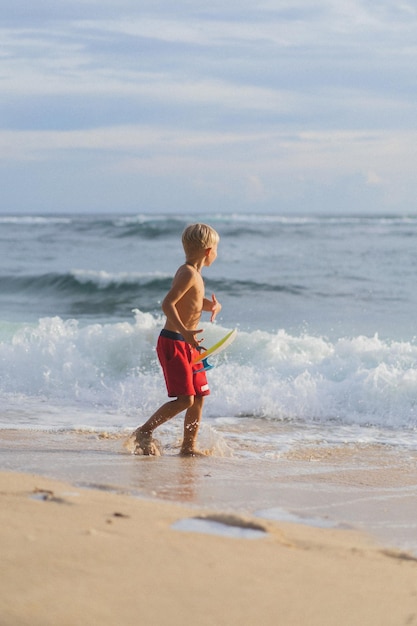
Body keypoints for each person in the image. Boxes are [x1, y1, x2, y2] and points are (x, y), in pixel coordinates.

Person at [132, 223, 221, 456]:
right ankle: (144, 431)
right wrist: (184, 331)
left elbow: (191, 302)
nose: (217, 255)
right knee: (185, 400)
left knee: (199, 396)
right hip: (174, 341)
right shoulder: (188, 273)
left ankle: (188, 447)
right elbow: (167, 303)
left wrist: (211, 305)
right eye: (217, 250)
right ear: (209, 251)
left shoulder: (195, 274)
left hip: (188, 343)